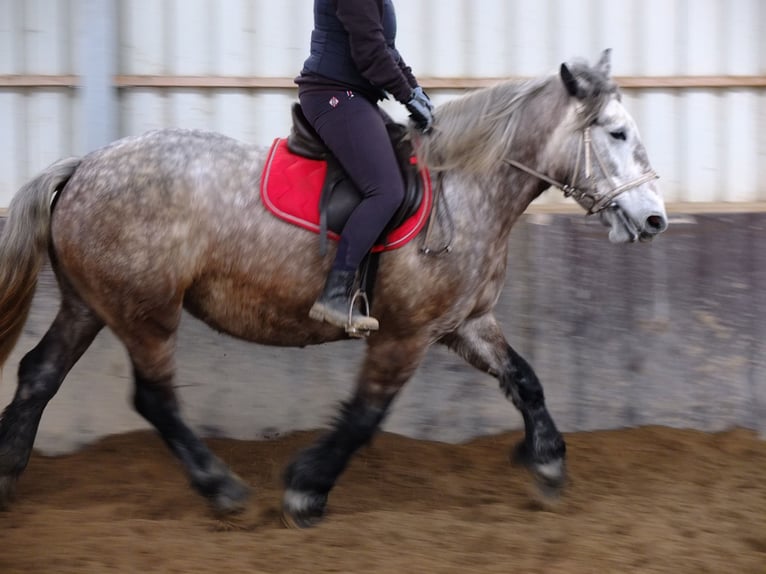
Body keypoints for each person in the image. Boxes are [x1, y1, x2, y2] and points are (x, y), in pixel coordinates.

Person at [296, 0, 434, 333]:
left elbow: (387, 48)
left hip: (355, 96)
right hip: (332, 93)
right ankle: (335, 294)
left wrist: (414, 88)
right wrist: (405, 95)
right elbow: (369, 51)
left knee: (407, 158)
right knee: (386, 190)